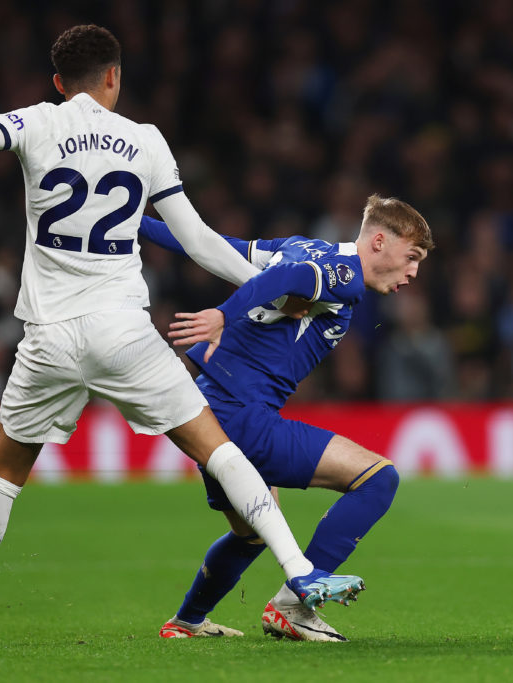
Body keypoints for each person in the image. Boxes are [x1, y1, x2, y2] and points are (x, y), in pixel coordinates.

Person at [0, 24, 363, 643]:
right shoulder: (144, 141)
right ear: (115, 77)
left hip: (51, 337)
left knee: (4, 472)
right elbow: (200, 241)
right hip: (124, 332)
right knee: (217, 448)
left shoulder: (37, 122)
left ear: (59, 83)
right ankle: (301, 571)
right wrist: (276, 284)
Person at [136, 193, 433, 641]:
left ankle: (187, 623)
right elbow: (293, 276)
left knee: (252, 532)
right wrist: (222, 314)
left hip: (208, 409)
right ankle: (294, 607)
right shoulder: (345, 275)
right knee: (379, 477)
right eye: (411, 257)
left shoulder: (303, 244)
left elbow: (209, 243)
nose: (413, 273)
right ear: (377, 242)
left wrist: (125, 219)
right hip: (243, 417)